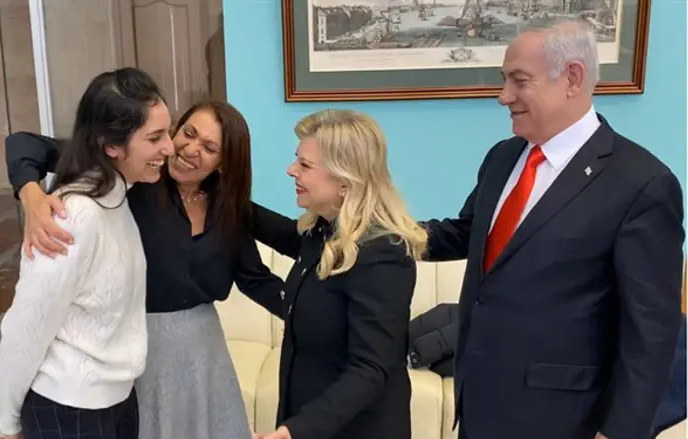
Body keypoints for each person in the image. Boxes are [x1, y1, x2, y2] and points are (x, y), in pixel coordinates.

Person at [419, 17, 685, 439]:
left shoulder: (642, 184)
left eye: (518, 81)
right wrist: (378, 229)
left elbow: (652, 332)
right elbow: (467, 233)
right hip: (481, 407)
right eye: (503, 80)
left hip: (564, 420)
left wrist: (620, 432)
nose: (503, 96)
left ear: (572, 78)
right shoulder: (503, 157)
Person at [5, 100, 285, 439]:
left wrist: (316, 314)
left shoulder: (229, 208)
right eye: (188, 133)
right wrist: (31, 195)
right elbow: (24, 144)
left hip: (205, 352)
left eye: (209, 147)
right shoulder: (136, 180)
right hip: (138, 347)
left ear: (224, 164)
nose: (190, 149)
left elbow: (258, 277)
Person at [0, 67, 175, 439]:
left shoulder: (116, 194)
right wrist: (8, 421)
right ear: (110, 146)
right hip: (68, 408)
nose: (170, 148)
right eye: (155, 137)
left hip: (118, 399)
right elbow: (25, 327)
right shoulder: (72, 215)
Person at [250, 109, 428, 439]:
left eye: (304, 165)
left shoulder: (383, 253)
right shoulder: (323, 233)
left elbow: (370, 370)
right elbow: (282, 233)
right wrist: (223, 199)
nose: (291, 171)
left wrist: (295, 431)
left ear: (344, 182)